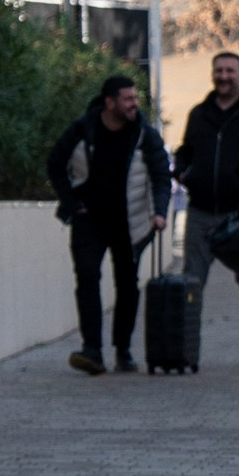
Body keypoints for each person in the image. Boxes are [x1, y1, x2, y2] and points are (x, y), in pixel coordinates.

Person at [49, 72, 172, 375]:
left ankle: (123, 349)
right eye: (128, 99)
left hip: (130, 222)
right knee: (88, 277)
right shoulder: (83, 128)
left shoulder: (144, 133)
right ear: (109, 102)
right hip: (88, 219)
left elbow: (161, 175)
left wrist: (159, 212)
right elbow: (55, 163)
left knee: (128, 285)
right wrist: (71, 202)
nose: (134, 104)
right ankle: (92, 350)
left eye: (135, 98)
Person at [174, 49, 239, 366]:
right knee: (191, 283)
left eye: (231, 70)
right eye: (219, 70)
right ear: (212, 74)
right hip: (201, 211)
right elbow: (185, 152)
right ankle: (186, 351)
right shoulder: (198, 114)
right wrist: (185, 173)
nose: (224, 76)